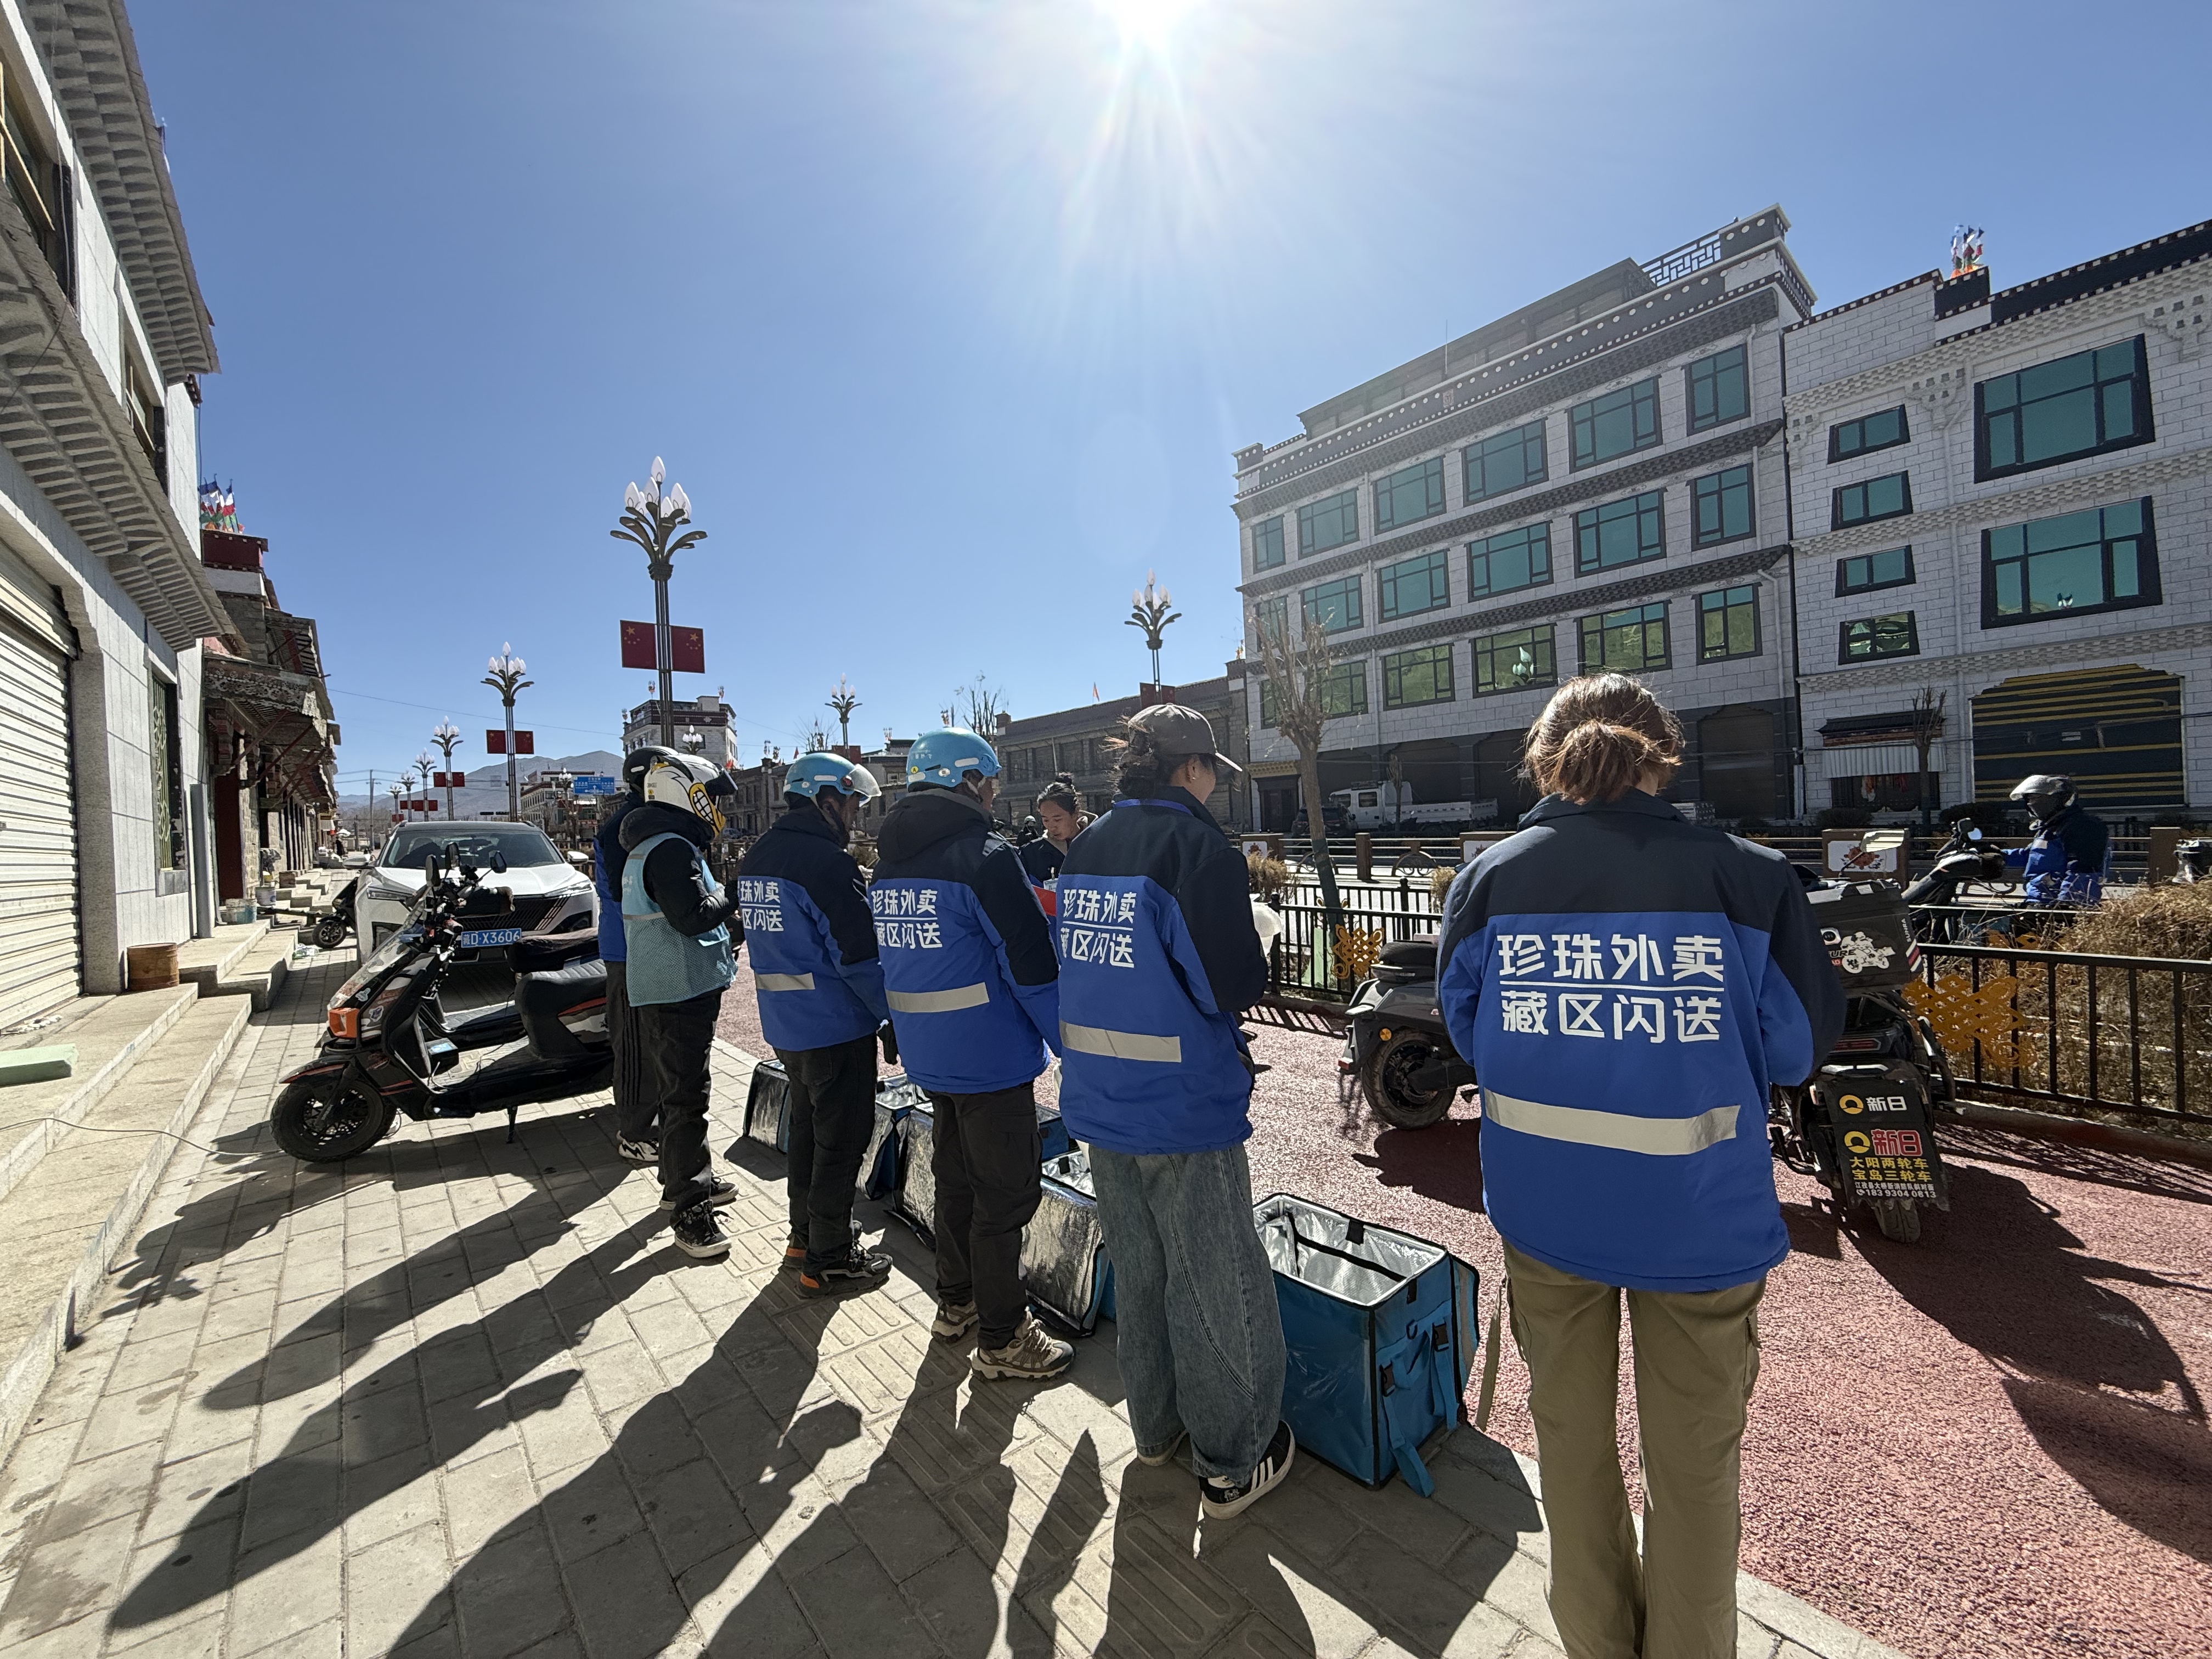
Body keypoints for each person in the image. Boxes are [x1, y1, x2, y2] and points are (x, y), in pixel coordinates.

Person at [1434, 674, 1844, 1659]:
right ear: (1663, 753)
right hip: (1698, 1224)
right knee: (1695, 1474)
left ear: (1543, 755)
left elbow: (1466, 1027)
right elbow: (1793, 1049)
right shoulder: (1748, 876)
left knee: (1570, 1458)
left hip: (1545, 1215)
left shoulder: (1490, 877)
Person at [1053, 703, 1291, 1519]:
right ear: (1191, 769)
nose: (1216, 788)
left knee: (1144, 1272)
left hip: (1101, 1098)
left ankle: (1154, 1429)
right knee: (1214, 1279)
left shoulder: (1084, 845)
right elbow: (1230, 985)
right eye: (1213, 773)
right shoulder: (1198, 850)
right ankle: (1232, 1460)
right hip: (1183, 1106)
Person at [873, 727, 1071, 1380]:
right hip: (989, 1056)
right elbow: (1031, 964)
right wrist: (1070, 1043)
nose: (993, 796)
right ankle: (1005, 1337)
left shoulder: (891, 860)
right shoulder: (984, 855)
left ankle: (954, 1304)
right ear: (968, 781)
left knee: (955, 1184)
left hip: (932, 1056)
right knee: (1005, 1198)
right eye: (989, 783)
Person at [737, 751, 896, 1298]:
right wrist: (888, 1017)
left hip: (785, 1026)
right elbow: (857, 955)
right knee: (841, 1142)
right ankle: (829, 1258)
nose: (855, 816)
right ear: (828, 801)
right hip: (834, 1025)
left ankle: (803, 1237)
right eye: (853, 803)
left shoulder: (759, 856)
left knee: (805, 1136)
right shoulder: (826, 864)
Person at [619, 753, 746, 1261]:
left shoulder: (651, 845)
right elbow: (692, 918)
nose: (714, 806)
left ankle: (689, 1175)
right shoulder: (671, 849)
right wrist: (734, 894)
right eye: (711, 796)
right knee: (685, 1098)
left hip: (670, 988)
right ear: (686, 792)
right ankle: (689, 1209)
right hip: (676, 993)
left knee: (682, 1091)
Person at [595, 745, 678, 1166]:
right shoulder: (624, 827)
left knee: (658, 1047)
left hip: (646, 947)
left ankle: (664, 1133)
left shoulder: (644, 819)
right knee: (634, 1048)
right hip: (628, 951)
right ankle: (635, 1133)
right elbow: (621, 889)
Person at [2005, 774, 2109, 906]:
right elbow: (2033, 856)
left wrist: (2066, 905)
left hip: (2058, 904)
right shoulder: (2050, 827)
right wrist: (1999, 856)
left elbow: (2083, 869)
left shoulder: (2081, 826)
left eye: (2035, 798)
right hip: (2039, 901)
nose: (2031, 803)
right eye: (2028, 799)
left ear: (2057, 799)